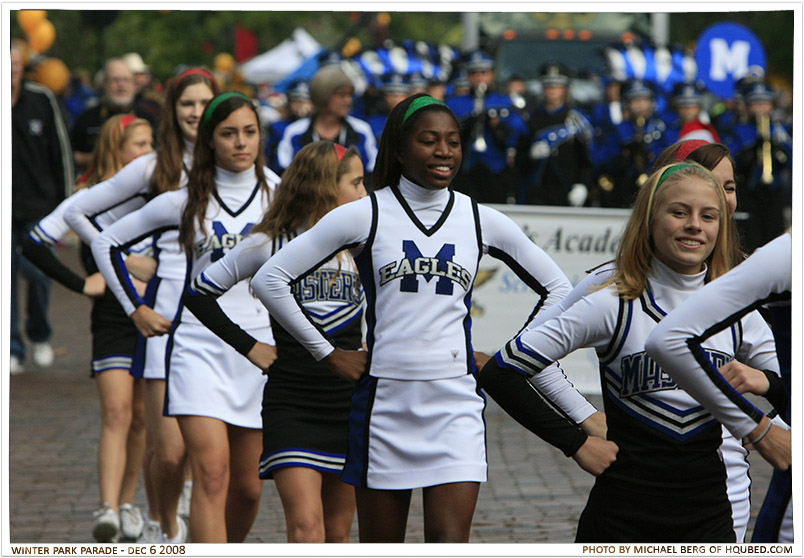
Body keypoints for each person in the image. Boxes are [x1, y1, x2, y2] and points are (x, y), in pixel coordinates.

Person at [250, 93, 615, 542]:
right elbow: (270, 279)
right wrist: (329, 354)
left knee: (448, 541)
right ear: (400, 150)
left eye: (453, 141)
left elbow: (560, 290)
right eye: (429, 141)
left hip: (455, 406)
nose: (444, 151)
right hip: (385, 405)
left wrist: (515, 355)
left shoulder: (480, 219)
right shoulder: (366, 213)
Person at [479, 161, 779, 542]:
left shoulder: (738, 311)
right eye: (678, 212)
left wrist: (766, 381)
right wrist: (577, 443)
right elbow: (501, 371)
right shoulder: (613, 303)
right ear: (649, 220)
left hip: (708, 516)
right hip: (621, 516)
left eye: (708, 216)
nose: (694, 225)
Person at [90, 91, 279, 543]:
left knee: (249, 488)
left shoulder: (279, 193)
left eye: (249, 132)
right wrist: (134, 308)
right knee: (211, 475)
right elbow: (105, 242)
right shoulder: (185, 198)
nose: (240, 143)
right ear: (209, 139)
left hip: (260, 352)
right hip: (198, 347)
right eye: (228, 133)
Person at [65, 67, 220, 544]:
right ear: (173, 111)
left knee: (214, 455)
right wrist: (127, 274)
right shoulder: (155, 166)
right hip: (165, 319)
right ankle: (160, 522)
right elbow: (77, 211)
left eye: (203, 103)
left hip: (223, 322)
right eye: (187, 104)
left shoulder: (239, 163)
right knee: (168, 451)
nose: (196, 112)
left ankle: (188, 523)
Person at [184, 141, 366, 542]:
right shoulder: (268, 244)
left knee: (337, 533)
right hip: (293, 402)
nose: (364, 193)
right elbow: (198, 293)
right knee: (305, 528)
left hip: (350, 403)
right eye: (356, 183)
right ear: (324, 187)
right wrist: (249, 346)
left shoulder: (363, 244)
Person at [22, 114, 155, 542]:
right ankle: (108, 509)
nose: (149, 152)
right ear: (116, 149)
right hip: (113, 317)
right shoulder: (89, 198)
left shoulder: (162, 192)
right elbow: (35, 242)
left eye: (152, 143)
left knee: (141, 418)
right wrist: (82, 284)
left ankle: (131, 504)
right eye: (139, 144)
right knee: (116, 412)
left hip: (159, 316)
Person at [645, 231, 792, 540]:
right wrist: (580, 431)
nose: (695, 225)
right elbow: (667, 340)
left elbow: (781, 377)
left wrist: (770, 390)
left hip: (726, 494)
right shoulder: (787, 254)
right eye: (680, 211)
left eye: (729, 189)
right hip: (640, 493)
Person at [11, 41, 75, 375]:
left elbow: (61, 153)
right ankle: (12, 347)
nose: (10, 71)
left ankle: (40, 334)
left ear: (23, 66)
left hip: (39, 205)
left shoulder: (42, 100)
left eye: (15, 64)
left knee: (37, 273)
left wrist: (65, 208)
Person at [446, 50, 528, 204]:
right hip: (465, 169)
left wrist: (498, 127)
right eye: (473, 73)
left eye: (483, 72)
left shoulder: (504, 102)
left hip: (496, 168)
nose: (478, 77)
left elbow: (519, 135)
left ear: (492, 74)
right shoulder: (454, 103)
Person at [276, 65, 377, 179]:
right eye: (341, 95)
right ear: (323, 96)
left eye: (350, 95)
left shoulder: (361, 130)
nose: (348, 101)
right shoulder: (296, 132)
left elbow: (371, 174)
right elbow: (285, 175)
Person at [517, 62, 595, 206]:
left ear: (565, 89)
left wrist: (583, 185)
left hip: (568, 190)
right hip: (538, 192)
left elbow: (586, 160)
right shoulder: (531, 119)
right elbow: (518, 159)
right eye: (548, 86)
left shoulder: (576, 119)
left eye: (556, 86)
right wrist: (530, 155)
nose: (552, 90)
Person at [70, 57, 161, 172]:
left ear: (134, 84)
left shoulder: (149, 118)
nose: (121, 85)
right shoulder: (86, 119)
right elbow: (70, 156)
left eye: (126, 80)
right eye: (115, 80)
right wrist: (101, 159)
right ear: (104, 83)